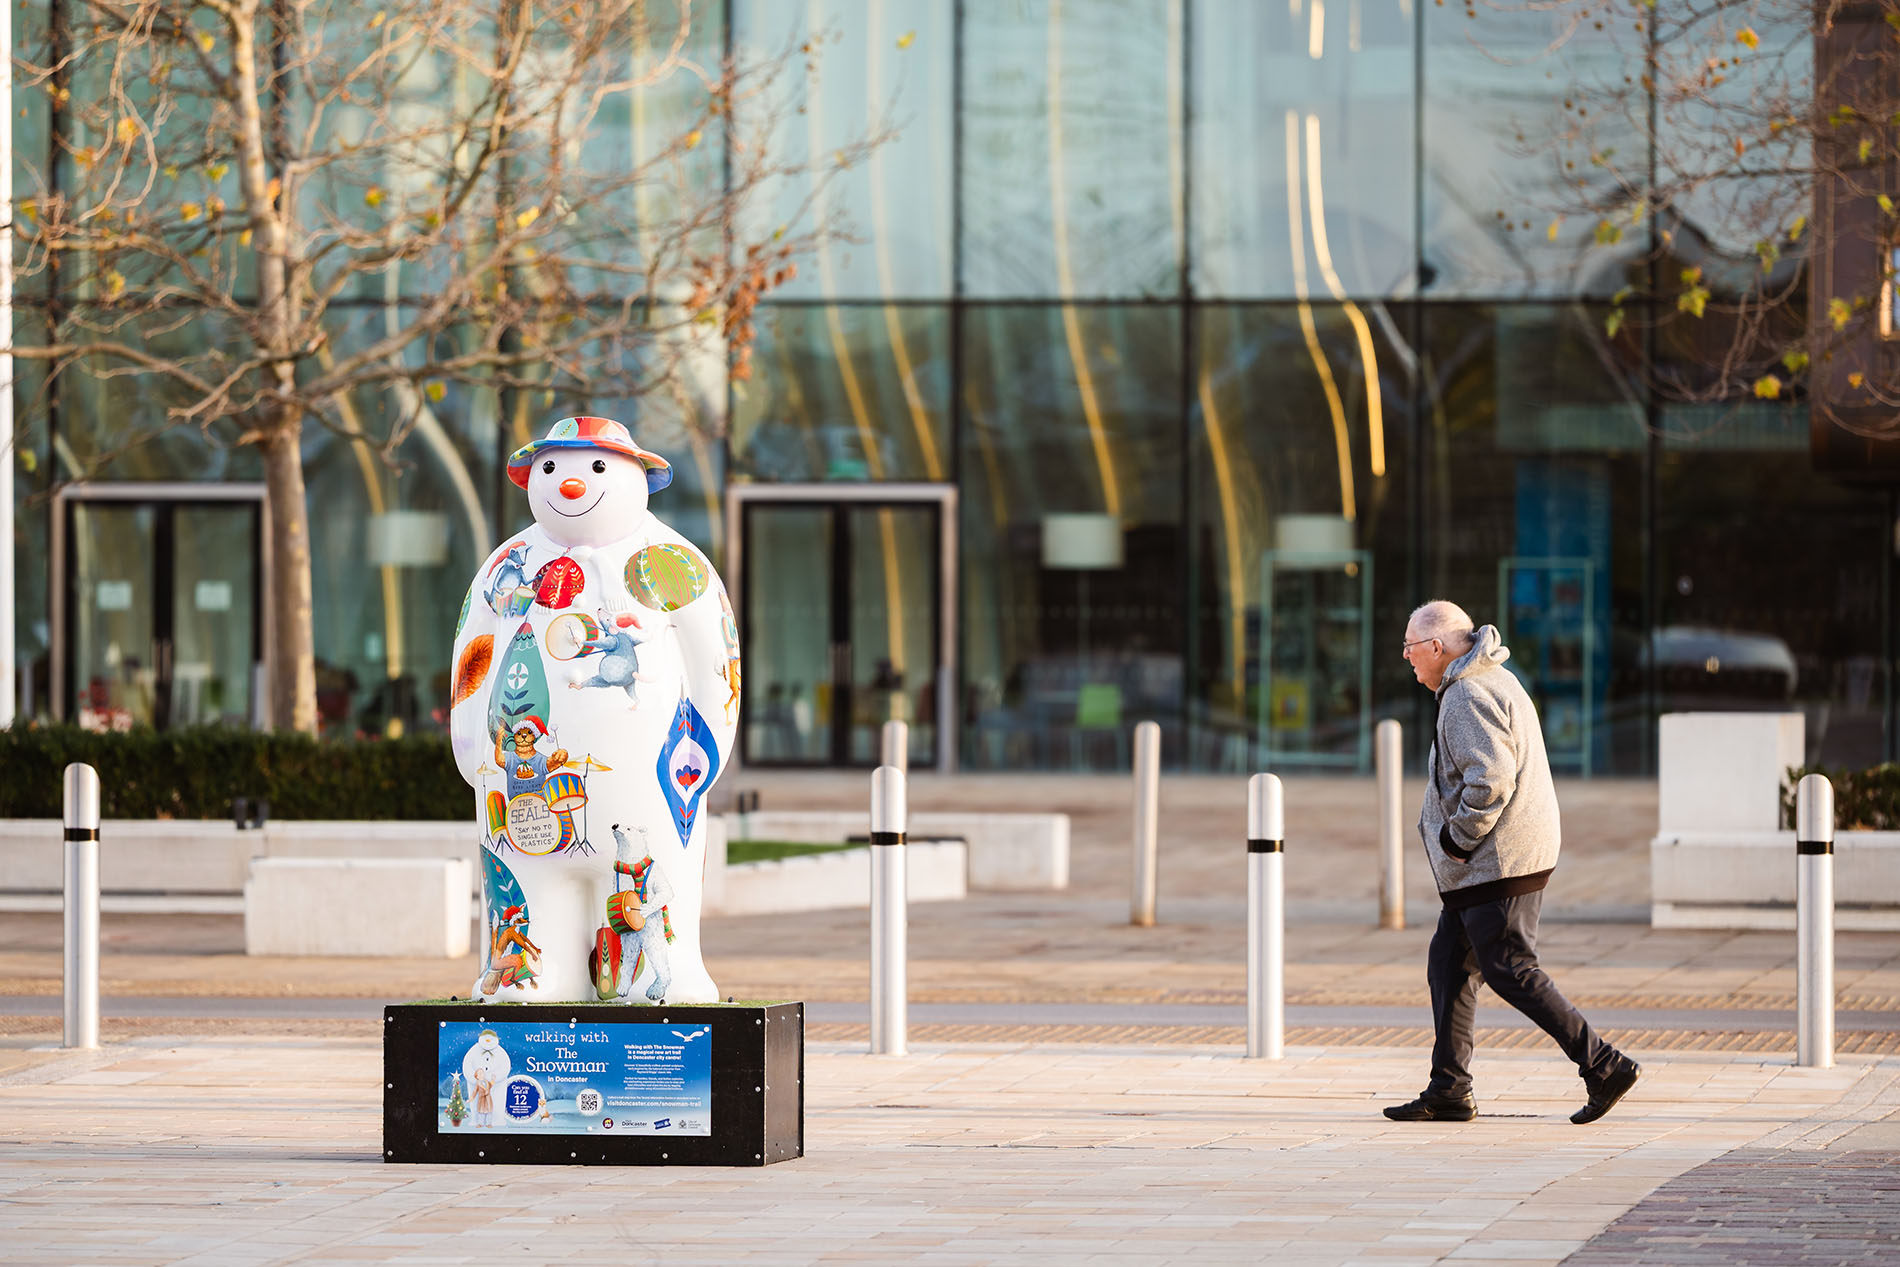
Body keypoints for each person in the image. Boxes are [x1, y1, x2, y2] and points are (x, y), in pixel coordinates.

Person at [1385, 600, 1640, 1125]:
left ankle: (1603, 1064)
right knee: (1450, 966)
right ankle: (1450, 1089)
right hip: (1496, 859)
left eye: (1410, 647)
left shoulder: (1467, 694)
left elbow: (1490, 780)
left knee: (1510, 968)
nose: (1405, 657)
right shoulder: (1489, 677)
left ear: (1436, 647)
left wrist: (1457, 840)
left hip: (1494, 860)